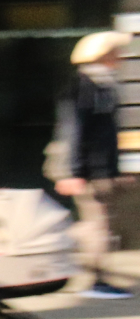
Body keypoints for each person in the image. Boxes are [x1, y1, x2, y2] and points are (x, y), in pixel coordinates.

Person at [55, 30, 130, 298]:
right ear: (103, 55)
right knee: (99, 228)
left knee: (97, 226)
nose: (119, 57)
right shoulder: (84, 87)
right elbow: (73, 130)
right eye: (115, 52)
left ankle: (91, 273)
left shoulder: (103, 86)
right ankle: (95, 281)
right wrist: (73, 171)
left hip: (99, 170)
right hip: (89, 172)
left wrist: (114, 170)